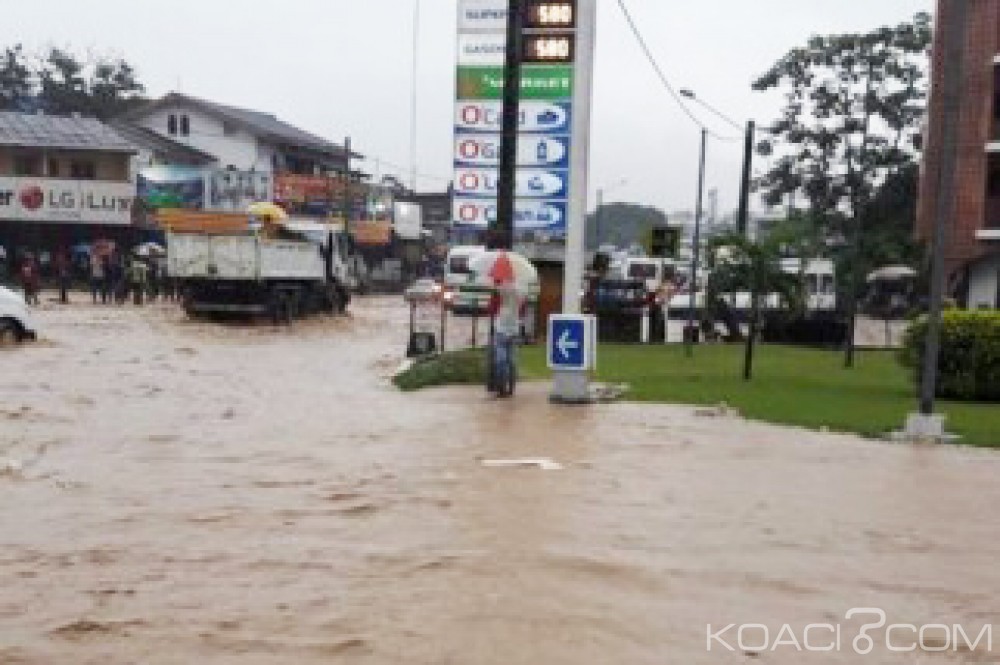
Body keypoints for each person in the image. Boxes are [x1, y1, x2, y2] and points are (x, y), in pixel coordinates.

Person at [488, 283, 524, 398]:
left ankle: (501, 388)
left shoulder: (498, 292)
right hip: (514, 331)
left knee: (501, 360)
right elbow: (521, 311)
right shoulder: (520, 293)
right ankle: (511, 388)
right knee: (512, 361)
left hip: (501, 330)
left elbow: (491, 310)